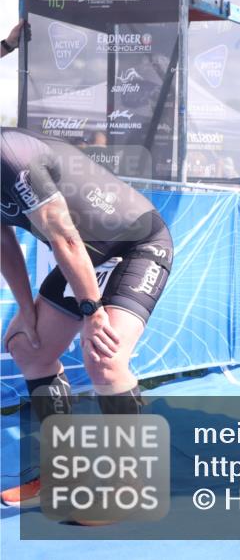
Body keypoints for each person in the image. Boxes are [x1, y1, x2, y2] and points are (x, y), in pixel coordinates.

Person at [0, 128, 173, 507]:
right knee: (28, 347)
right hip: (88, 253)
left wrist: (92, 312)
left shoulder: (10, 157)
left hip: (137, 243)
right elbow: (2, 242)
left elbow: (65, 239)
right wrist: (26, 311)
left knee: (104, 357)